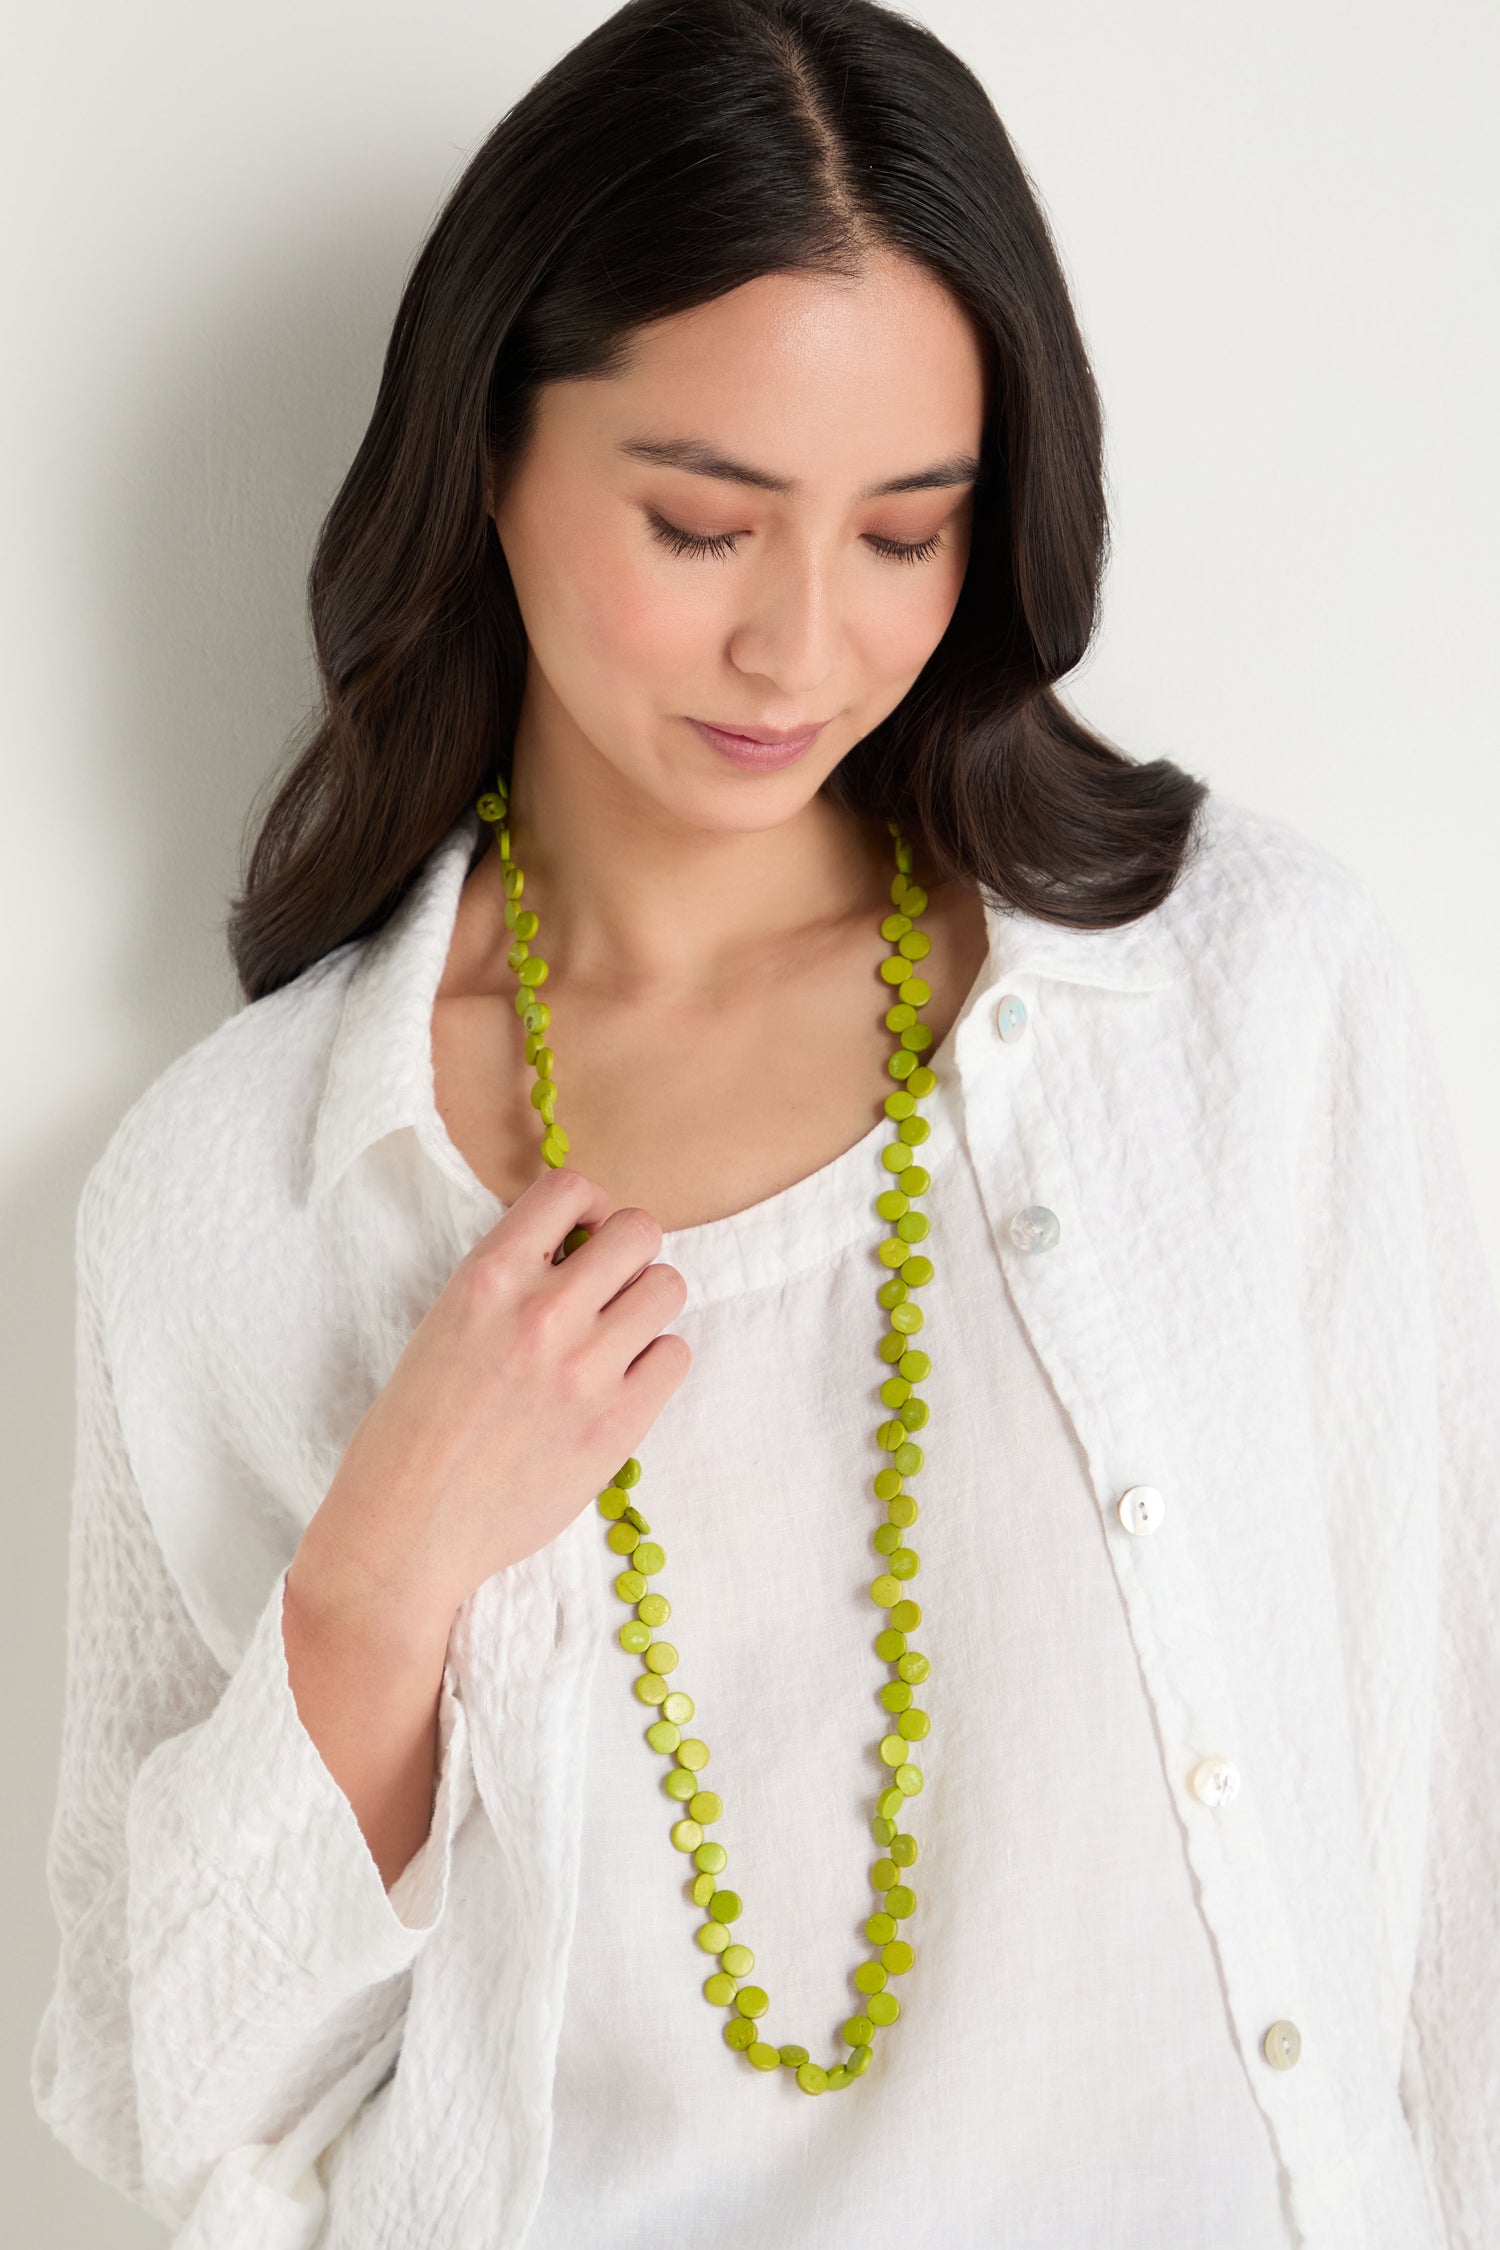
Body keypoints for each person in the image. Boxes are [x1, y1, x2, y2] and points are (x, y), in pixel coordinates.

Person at [30, 1, 1500, 2245]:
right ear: (487, 451)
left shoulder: (1244, 1004)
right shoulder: (243, 1198)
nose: (803, 646)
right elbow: (165, 2095)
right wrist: (381, 1582)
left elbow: (1448, 1860)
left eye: (908, 534)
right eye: (703, 524)